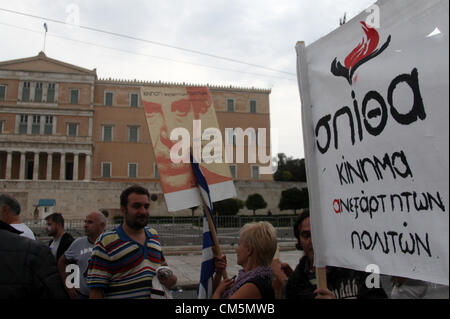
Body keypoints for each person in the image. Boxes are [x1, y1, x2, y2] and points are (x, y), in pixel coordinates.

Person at [271, 209, 387, 299]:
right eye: (306, 235)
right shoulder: (295, 283)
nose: (312, 241)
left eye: (318, 233)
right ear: (299, 241)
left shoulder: (363, 268)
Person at [87, 185, 177, 299]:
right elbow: (96, 292)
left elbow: (164, 269)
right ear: (123, 209)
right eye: (136, 206)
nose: (143, 211)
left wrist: (171, 279)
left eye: (146, 206)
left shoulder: (153, 235)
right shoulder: (105, 242)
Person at [142, 86, 232, 194]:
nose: (170, 137)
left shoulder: (218, 183)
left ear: (198, 116)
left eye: (181, 110)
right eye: (152, 113)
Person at [0, 219, 68, 298]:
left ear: (59, 225)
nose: (46, 227)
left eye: (49, 225)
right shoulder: (43, 247)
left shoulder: (66, 242)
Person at [212, 221, 277, 299]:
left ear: (249, 250)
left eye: (239, 244)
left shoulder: (252, 286)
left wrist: (218, 292)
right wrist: (219, 273)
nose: (236, 249)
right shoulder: (257, 278)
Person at [57, 211, 106, 299]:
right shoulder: (78, 243)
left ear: (102, 225)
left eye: (90, 222)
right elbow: (62, 262)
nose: (85, 225)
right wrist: (68, 284)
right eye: (85, 222)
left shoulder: (110, 243)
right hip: (82, 295)